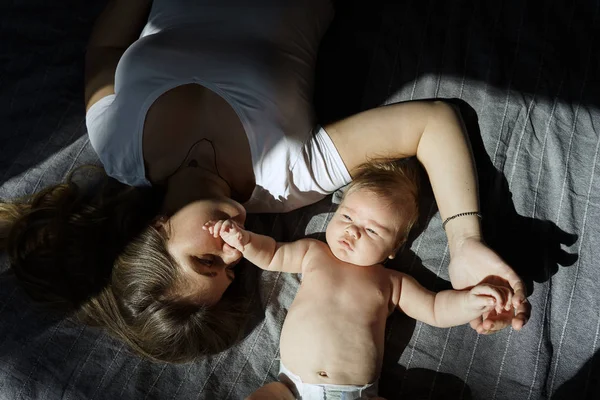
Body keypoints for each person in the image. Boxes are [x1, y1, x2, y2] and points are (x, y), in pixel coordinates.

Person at [0, 0, 529, 362]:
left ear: (153, 230)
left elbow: (103, 52)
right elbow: (431, 121)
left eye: (207, 260)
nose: (235, 256)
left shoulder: (114, 142)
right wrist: (465, 244)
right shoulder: (286, 180)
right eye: (230, 273)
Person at [203, 160, 514, 400]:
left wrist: (472, 301)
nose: (352, 231)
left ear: (394, 249)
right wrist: (243, 240)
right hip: (288, 388)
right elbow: (271, 254)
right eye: (347, 217)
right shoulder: (314, 253)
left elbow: (435, 308)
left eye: (372, 230)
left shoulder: (393, 283)